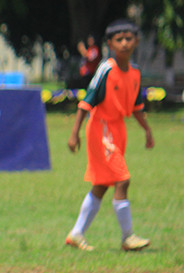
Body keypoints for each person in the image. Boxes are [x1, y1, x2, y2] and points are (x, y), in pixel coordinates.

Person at [65, 19, 154, 252]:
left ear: (136, 41)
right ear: (110, 44)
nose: (124, 43)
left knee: (102, 185)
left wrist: (147, 130)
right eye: (119, 39)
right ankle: (128, 237)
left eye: (128, 38)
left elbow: (136, 107)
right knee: (122, 179)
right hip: (101, 128)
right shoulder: (106, 69)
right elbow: (87, 101)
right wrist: (74, 133)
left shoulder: (135, 73)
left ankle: (76, 234)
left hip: (118, 130)